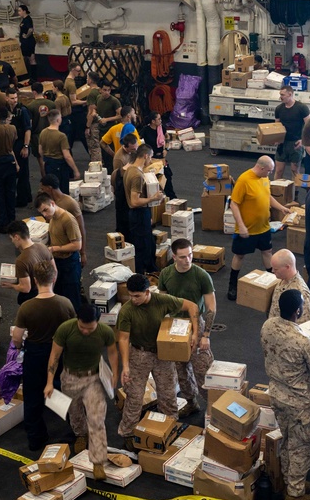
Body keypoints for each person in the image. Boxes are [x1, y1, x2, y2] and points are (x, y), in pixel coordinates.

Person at [260, 289, 310, 500]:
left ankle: (289, 481)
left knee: (288, 440)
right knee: (302, 446)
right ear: (299, 311)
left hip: (277, 394)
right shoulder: (303, 342)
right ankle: (295, 495)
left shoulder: (268, 326)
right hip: (301, 403)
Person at [116, 274, 199, 449]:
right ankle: (128, 433)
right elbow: (123, 339)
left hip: (163, 354)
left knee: (168, 394)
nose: (133, 299)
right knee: (135, 396)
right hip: (139, 354)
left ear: (147, 292)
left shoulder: (162, 301)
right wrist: (125, 366)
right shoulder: (127, 310)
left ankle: (169, 428)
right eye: (130, 295)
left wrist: (195, 334)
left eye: (137, 296)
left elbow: (191, 306)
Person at [47, 304, 118, 480]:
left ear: (97, 322)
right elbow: (54, 356)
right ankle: (80, 434)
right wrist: (49, 383)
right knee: (75, 412)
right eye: (82, 327)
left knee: (96, 419)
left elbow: (112, 352)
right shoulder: (66, 329)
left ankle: (98, 462)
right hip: (70, 377)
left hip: (93, 378)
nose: (86, 331)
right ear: (77, 320)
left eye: (90, 328)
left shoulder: (105, 332)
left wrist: (115, 372)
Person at [13, 261, 77, 450]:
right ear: (54, 278)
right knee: (61, 389)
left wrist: (16, 351)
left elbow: (17, 337)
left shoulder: (27, 307)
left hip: (35, 353)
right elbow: (74, 329)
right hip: (60, 352)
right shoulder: (64, 303)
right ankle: (75, 428)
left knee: (32, 395)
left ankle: (36, 438)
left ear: (34, 280)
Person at [158, 238, 217, 416]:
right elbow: (163, 302)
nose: (188, 260)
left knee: (203, 371)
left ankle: (213, 408)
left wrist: (205, 335)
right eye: (183, 257)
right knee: (181, 370)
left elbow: (211, 307)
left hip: (196, 325)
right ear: (174, 256)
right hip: (176, 327)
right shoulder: (166, 274)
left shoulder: (201, 276)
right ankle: (191, 402)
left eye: (190, 255)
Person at [227, 156, 290, 301]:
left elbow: (267, 196)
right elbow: (234, 204)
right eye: (269, 171)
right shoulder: (244, 180)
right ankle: (232, 285)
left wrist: (281, 208)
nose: (270, 174)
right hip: (246, 229)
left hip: (263, 227)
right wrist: (241, 225)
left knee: (267, 252)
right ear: (261, 168)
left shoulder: (264, 178)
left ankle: (275, 283)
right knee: (239, 256)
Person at [35, 192, 84, 310]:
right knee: (59, 296)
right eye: (41, 212)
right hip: (58, 262)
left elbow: (77, 245)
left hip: (69, 263)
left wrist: (54, 248)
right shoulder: (52, 218)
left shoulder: (68, 219)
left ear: (52, 203)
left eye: (45, 210)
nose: (44, 214)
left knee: (72, 299)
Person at [122, 145, 165, 275]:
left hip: (138, 214)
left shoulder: (129, 169)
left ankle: (148, 270)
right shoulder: (137, 175)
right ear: (146, 156)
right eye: (150, 157)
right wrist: (154, 198)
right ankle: (142, 274)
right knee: (142, 247)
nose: (150, 161)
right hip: (139, 214)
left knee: (146, 243)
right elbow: (135, 201)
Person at [40, 175, 87, 267]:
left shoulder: (70, 203)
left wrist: (83, 253)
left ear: (49, 188)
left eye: (43, 189)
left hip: (68, 255)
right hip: (55, 253)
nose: (41, 191)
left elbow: (81, 228)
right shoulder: (48, 203)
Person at [3, 220, 54, 306]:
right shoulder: (43, 247)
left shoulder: (21, 260)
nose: (12, 241)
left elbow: (26, 288)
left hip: (31, 298)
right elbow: (54, 270)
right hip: (46, 290)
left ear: (16, 237)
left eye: (11, 238)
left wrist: (11, 286)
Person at [273, 86, 310, 179]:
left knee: (295, 171)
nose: (280, 97)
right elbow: (277, 125)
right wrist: (276, 138)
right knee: (279, 170)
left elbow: (309, 126)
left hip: (296, 144)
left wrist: (303, 140)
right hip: (282, 144)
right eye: (280, 94)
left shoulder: (302, 108)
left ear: (290, 94)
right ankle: (276, 192)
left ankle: (294, 193)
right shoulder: (279, 108)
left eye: (282, 95)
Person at [269, 249, 310, 323]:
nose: (272, 271)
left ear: (287, 267)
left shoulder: (301, 292)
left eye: (276, 269)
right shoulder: (282, 280)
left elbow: (303, 325)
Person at [40, 109, 79, 190]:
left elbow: (40, 151)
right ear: (58, 120)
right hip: (59, 166)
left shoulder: (43, 132)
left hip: (48, 164)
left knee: (51, 189)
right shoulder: (61, 136)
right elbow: (67, 156)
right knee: (62, 191)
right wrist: (75, 170)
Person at [7, 88, 34, 206]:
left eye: (16, 98)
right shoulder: (5, 110)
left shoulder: (22, 110)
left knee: (23, 173)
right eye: (12, 98)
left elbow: (28, 130)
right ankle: (26, 196)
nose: (14, 100)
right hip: (10, 144)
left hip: (21, 144)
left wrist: (26, 146)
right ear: (6, 98)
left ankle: (23, 199)